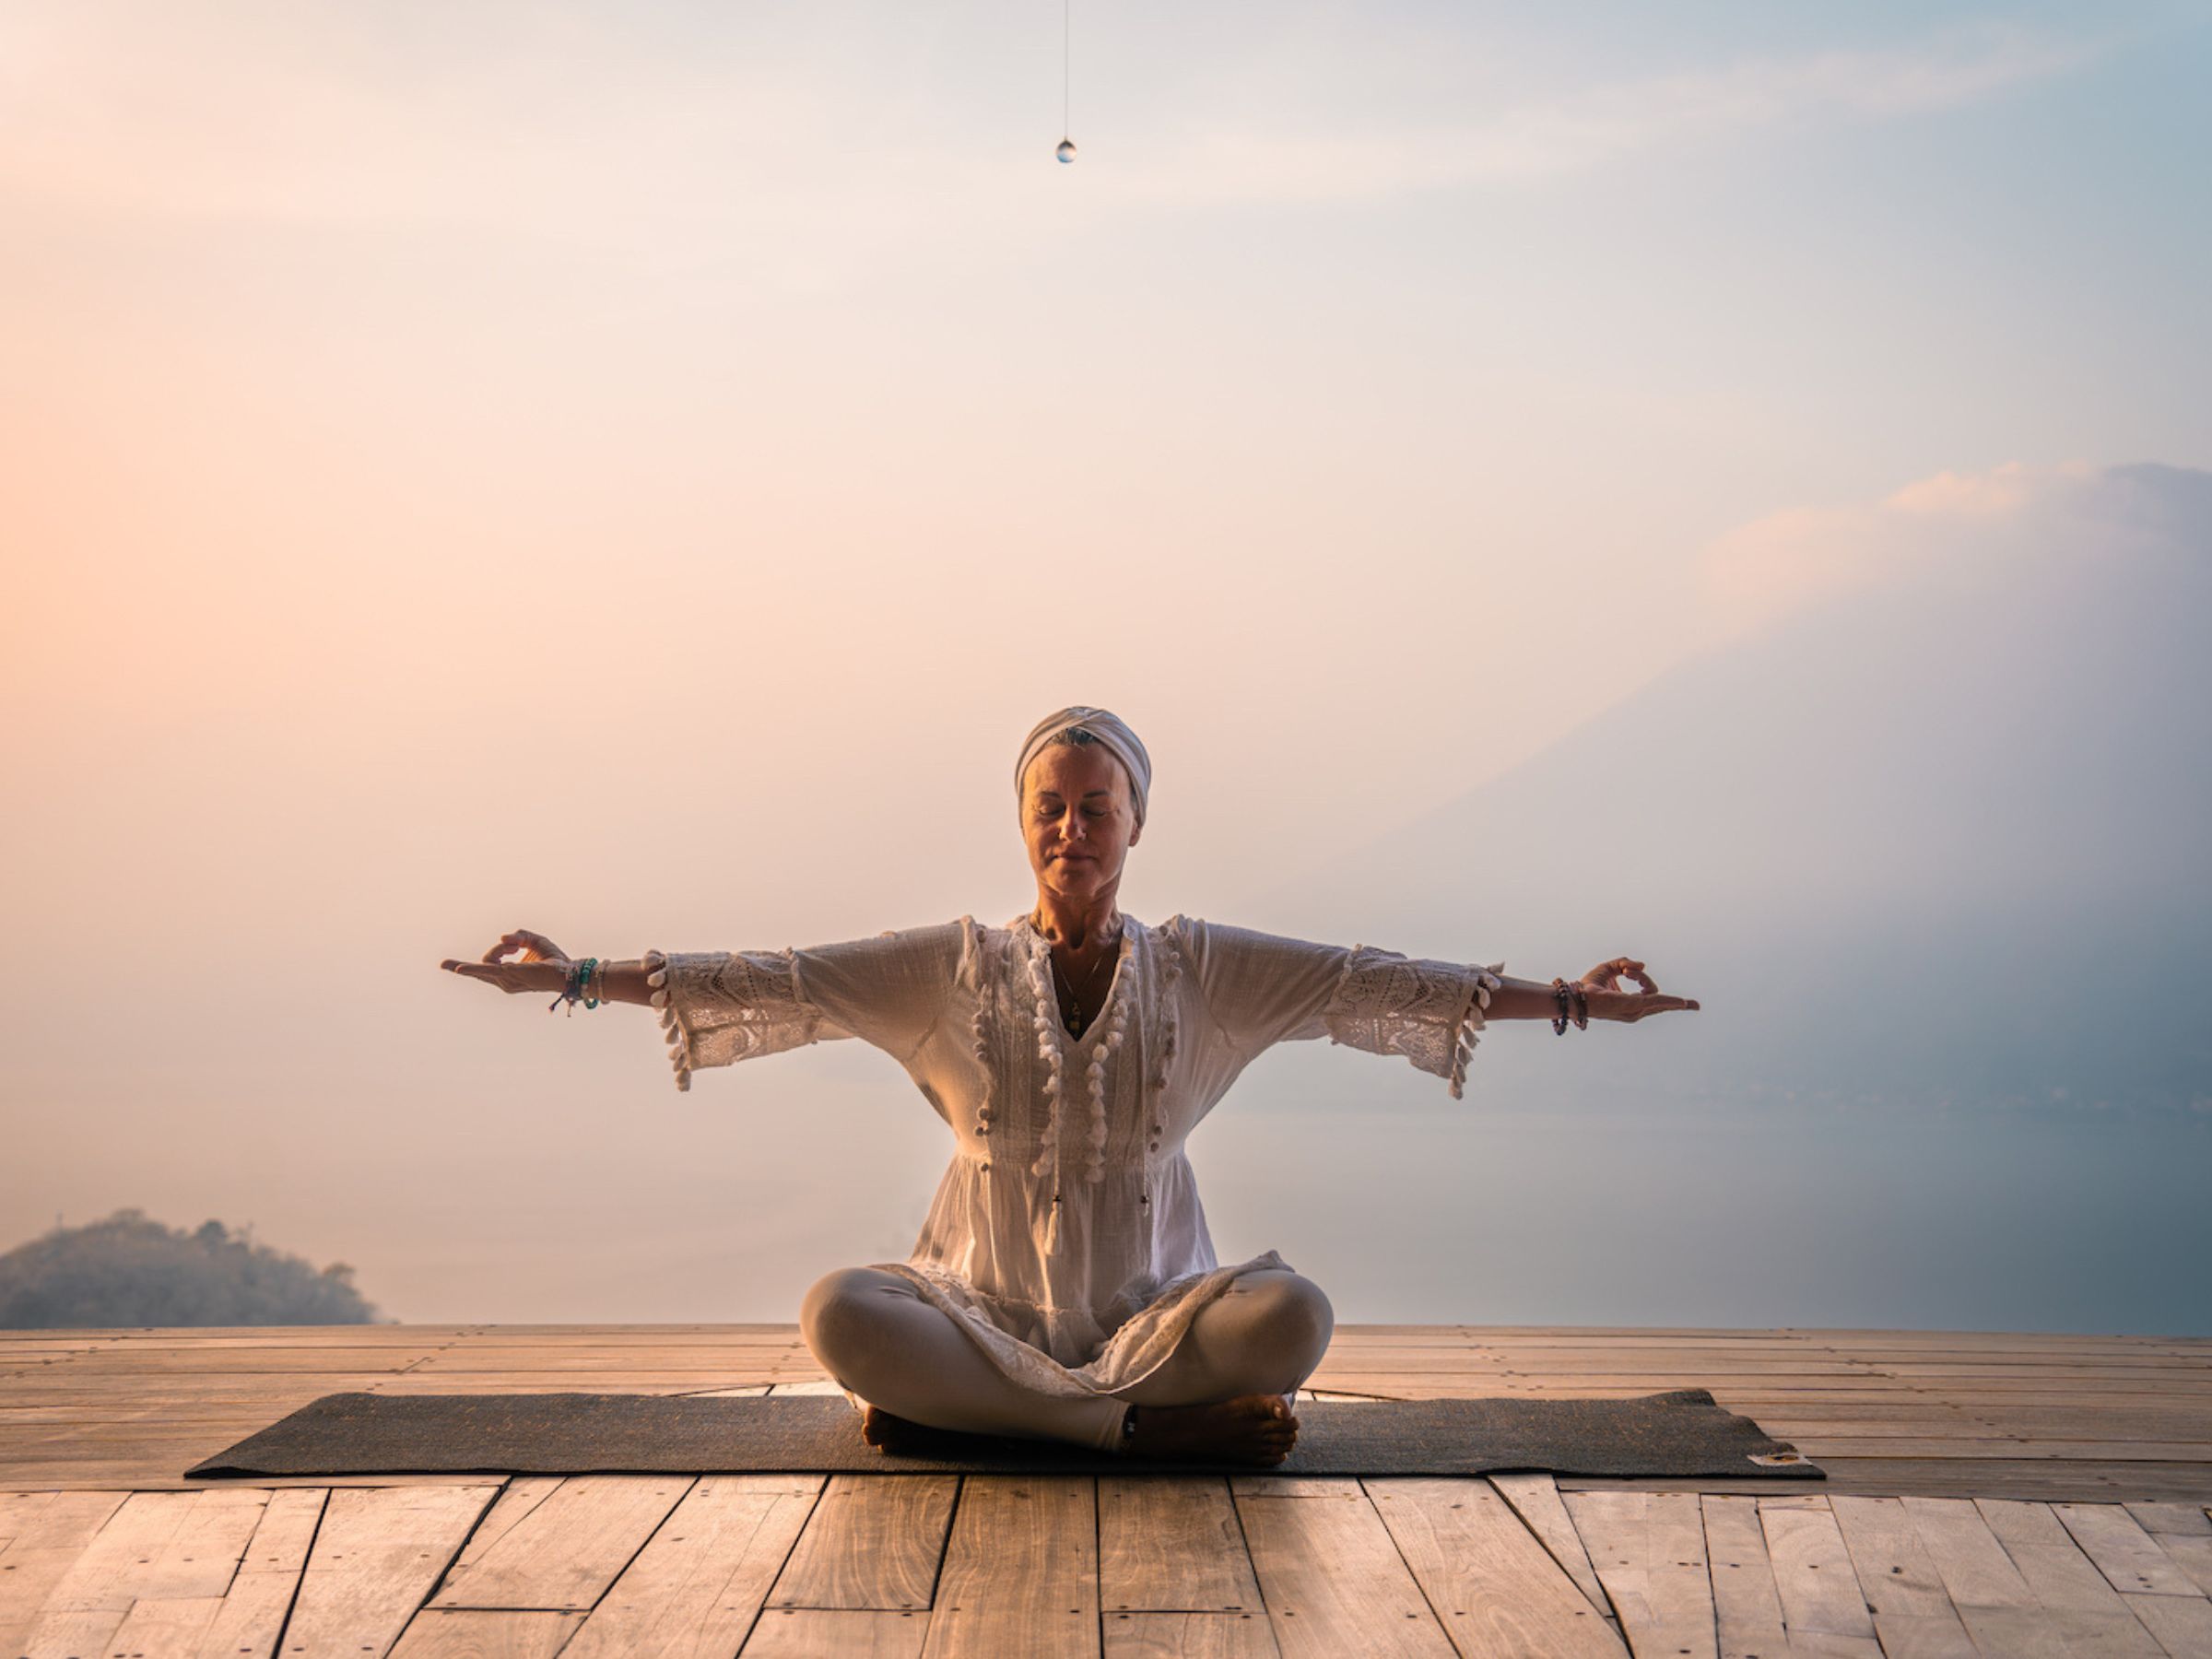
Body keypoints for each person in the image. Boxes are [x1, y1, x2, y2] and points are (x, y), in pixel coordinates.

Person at [442, 706, 1700, 1465]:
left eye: (1098, 808)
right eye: (1052, 807)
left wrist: (1578, 1001)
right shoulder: (949, 968)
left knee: (1296, 1319)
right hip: (983, 1314)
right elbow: (769, 979)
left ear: (1136, 823)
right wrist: (576, 974)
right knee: (840, 1313)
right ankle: (1130, 1439)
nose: (1072, 830)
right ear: (1024, 823)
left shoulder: (1205, 970)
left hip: (1155, 1325)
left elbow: (1385, 985)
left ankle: (984, 1427)